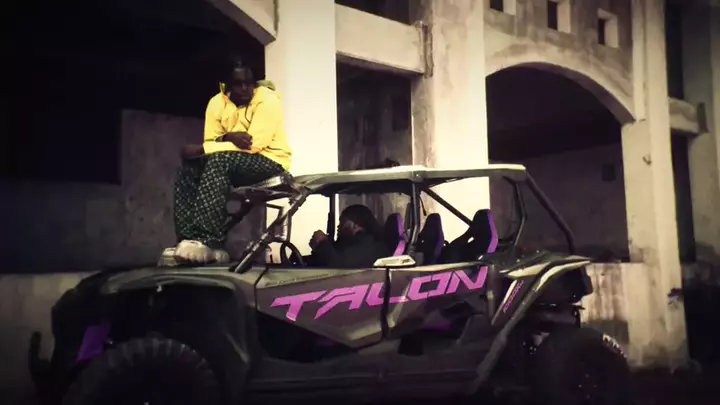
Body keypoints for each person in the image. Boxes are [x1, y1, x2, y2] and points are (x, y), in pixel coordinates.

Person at [162, 60, 291, 265]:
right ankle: (187, 240)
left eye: (249, 83)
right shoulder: (216, 103)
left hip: (270, 162)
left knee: (220, 160)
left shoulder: (268, 99)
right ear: (226, 86)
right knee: (189, 169)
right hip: (233, 162)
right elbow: (212, 141)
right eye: (238, 84)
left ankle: (207, 240)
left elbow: (253, 145)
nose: (245, 88)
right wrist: (227, 138)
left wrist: (204, 148)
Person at [308, 204, 386, 268]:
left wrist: (322, 244)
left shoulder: (368, 246)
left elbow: (339, 266)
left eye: (343, 222)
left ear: (355, 225)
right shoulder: (348, 243)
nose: (338, 226)